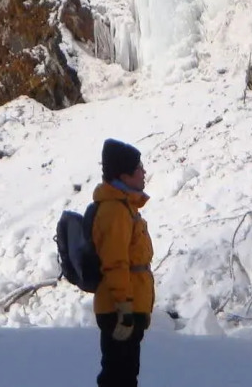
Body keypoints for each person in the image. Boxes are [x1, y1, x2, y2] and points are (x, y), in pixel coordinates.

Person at [92, 139, 154, 387]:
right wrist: (125, 309)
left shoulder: (125, 207)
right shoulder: (115, 211)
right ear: (124, 174)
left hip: (127, 306)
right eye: (138, 166)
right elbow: (115, 263)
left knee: (125, 376)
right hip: (118, 310)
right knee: (118, 378)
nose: (144, 171)